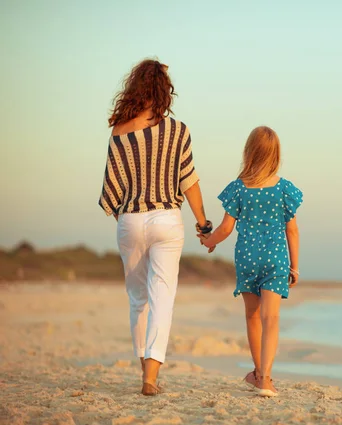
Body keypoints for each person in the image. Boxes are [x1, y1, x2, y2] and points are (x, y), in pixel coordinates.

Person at [98, 58, 213, 396]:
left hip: (130, 220)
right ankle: (151, 379)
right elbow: (188, 181)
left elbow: (112, 191)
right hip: (166, 218)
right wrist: (203, 224)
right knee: (162, 298)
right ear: (164, 91)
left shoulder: (119, 132)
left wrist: (129, 219)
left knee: (138, 300)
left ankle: (143, 371)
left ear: (134, 88)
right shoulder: (178, 131)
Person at [200, 126, 303, 397]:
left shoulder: (238, 187)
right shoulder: (284, 189)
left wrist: (209, 242)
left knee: (253, 316)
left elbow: (225, 228)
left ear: (249, 152)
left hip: (247, 258)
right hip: (275, 258)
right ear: (276, 154)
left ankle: (258, 373)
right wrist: (295, 266)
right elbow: (292, 230)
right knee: (272, 318)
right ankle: (266, 379)